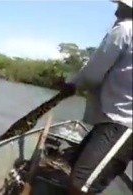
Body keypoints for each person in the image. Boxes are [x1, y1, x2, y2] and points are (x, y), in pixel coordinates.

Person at [61, 0, 132, 194]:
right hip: (115, 122)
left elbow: (92, 75)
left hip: (122, 124)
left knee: (81, 185)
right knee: (77, 169)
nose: (117, 12)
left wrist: (71, 84)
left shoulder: (125, 29)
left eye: (122, 7)